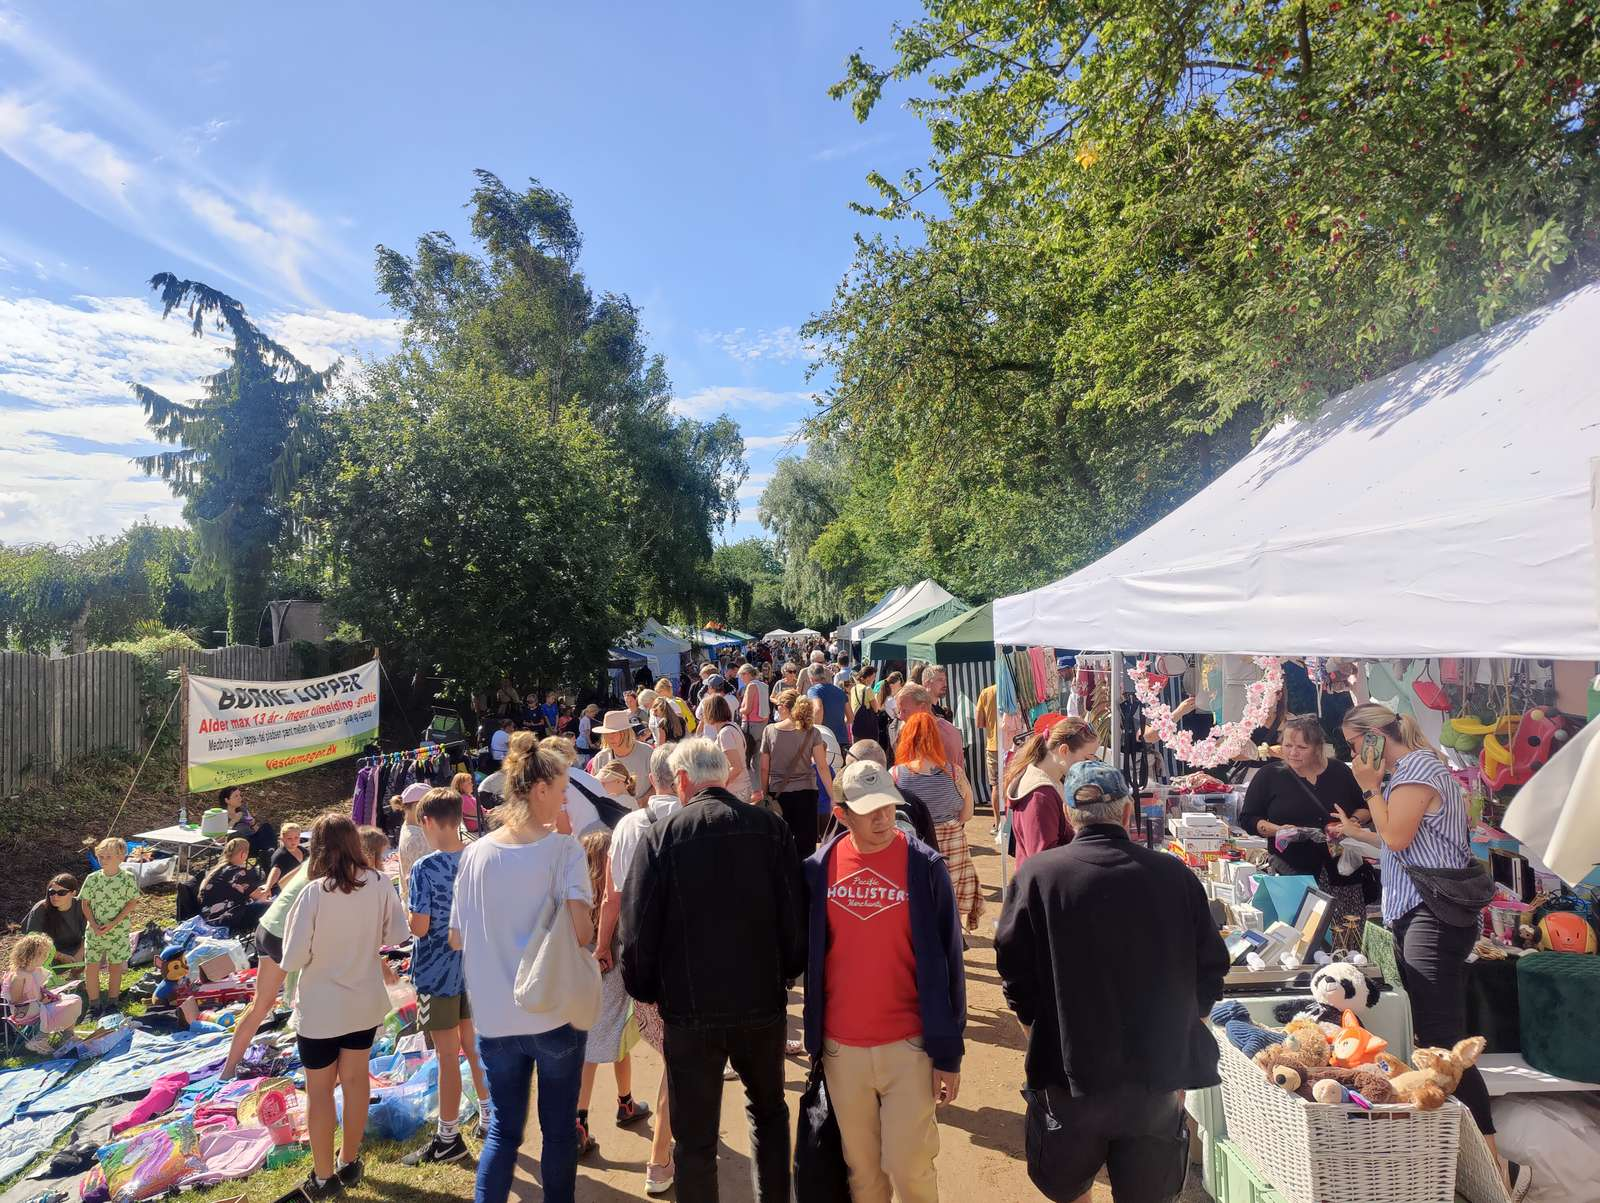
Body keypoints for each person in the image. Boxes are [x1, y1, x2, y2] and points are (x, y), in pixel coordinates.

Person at [995, 761, 1229, 1203]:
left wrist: (1038, 1033)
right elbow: (1211, 969)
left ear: (1068, 816)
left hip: (1069, 1074)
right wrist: (1181, 1042)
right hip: (1155, 1080)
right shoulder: (1173, 875)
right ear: (1126, 814)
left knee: (1068, 1187)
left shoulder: (1039, 876)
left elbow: (1014, 971)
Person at [621, 738, 807, 1203]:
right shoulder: (769, 829)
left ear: (681, 781)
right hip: (759, 1001)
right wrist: (787, 973)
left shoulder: (662, 836)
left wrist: (645, 989)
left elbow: (638, 927)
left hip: (689, 1008)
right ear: (723, 776)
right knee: (768, 1113)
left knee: (696, 1137)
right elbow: (794, 914)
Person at [1334, 703, 1498, 1157]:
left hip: (1431, 916)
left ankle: (1494, 1164)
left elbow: (1397, 839)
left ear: (1374, 737)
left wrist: (1369, 790)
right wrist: (1363, 825)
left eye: (1352, 744)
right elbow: (1403, 844)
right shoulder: (1414, 770)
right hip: (1423, 913)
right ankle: (1468, 1156)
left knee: (1443, 1044)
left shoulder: (1415, 770)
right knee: (1436, 1038)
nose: (1351, 755)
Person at [803, 761, 965, 1203]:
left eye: (889, 806)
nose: (883, 818)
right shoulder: (817, 871)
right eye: (869, 809)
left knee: (909, 1165)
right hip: (841, 1050)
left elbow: (950, 960)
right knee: (863, 1173)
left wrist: (949, 1053)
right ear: (841, 814)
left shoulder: (925, 866)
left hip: (908, 1047)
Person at [450, 737, 592, 1203]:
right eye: (563, 788)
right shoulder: (564, 851)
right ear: (540, 790)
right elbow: (583, 932)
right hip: (552, 1012)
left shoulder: (474, 855)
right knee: (557, 1134)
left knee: (503, 1135)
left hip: (493, 1017)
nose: (567, 797)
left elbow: (456, 936)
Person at [279, 814, 410, 1202]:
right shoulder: (380, 882)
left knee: (319, 1090)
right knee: (356, 1080)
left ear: (318, 847)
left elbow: (293, 957)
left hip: (321, 1006)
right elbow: (397, 935)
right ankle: (349, 1159)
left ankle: (323, 1176)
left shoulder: (315, 892)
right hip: (362, 1001)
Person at [597, 742, 680, 1195]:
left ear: (651, 778)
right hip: (683, 957)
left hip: (638, 956)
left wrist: (603, 944)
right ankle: (660, 1156)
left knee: (670, 1049)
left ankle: (665, 1149)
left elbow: (611, 896)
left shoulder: (628, 824)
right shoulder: (691, 819)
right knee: (677, 1054)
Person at [402, 789, 491, 1165]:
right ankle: (490, 1118)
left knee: (446, 1054)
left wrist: (407, 916)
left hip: (437, 971)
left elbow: (419, 928)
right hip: (475, 966)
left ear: (427, 821)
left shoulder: (424, 868)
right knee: (472, 1046)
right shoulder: (480, 857)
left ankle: (448, 1138)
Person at [1240, 713, 1370, 939]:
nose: (1293, 752)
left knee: (1346, 938)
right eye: (1288, 745)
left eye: (1301, 747)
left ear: (1318, 747)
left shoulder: (1340, 772)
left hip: (1342, 872)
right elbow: (1249, 818)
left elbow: (1365, 807)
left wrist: (1351, 824)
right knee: (1297, 938)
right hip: (1290, 871)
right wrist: (1276, 830)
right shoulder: (1269, 775)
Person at [575, 827, 652, 1160]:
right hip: (613, 973)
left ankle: (586, 1119)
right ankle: (621, 1105)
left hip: (582, 975)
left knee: (589, 1049)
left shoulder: (575, 895)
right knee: (617, 1038)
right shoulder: (617, 895)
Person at [221, 853, 314, 1079]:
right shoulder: (330, 871)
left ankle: (228, 1070)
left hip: (266, 928)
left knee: (261, 1004)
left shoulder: (311, 862)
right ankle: (315, 1063)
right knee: (318, 995)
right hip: (284, 935)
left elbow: (282, 883)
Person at [892, 715, 981, 932]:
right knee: (951, 905)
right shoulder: (953, 772)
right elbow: (966, 815)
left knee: (920, 901)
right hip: (952, 844)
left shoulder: (894, 775)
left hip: (915, 844)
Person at [1002, 720, 1096, 870]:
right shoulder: (1040, 795)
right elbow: (1045, 863)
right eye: (1087, 757)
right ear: (1064, 751)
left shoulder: (1051, 781)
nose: (1091, 763)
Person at [755, 689, 836, 860]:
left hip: (778, 793)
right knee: (806, 845)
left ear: (784, 707)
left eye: (777, 706)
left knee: (780, 844)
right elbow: (822, 766)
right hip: (807, 792)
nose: (776, 710)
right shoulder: (812, 732)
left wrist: (765, 794)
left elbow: (764, 768)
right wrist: (832, 796)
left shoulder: (769, 731)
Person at [80, 837, 139, 1015]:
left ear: (121, 857)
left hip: (118, 932)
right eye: (101, 856)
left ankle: (113, 1003)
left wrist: (114, 923)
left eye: (108, 857)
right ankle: (94, 1005)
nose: (103, 860)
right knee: (91, 968)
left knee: (115, 967)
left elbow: (131, 903)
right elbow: (85, 903)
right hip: (94, 932)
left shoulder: (128, 878)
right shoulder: (92, 878)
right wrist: (94, 925)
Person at [4, 934, 83, 1050]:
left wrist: (49, 996)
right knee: (64, 1006)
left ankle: (68, 1035)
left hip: (40, 1005)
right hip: (25, 1011)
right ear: (31, 955)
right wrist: (40, 1001)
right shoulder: (18, 976)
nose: (46, 957)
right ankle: (40, 1038)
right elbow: (15, 1000)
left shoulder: (38, 971)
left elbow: (40, 991)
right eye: (44, 954)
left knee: (74, 999)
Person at [197, 837, 271, 936]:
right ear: (242, 854)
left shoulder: (215, 871)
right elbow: (259, 896)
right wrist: (267, 888)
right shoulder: (239, 873)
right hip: (227, 919)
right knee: (272, 906)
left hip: (208, 917)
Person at [895, 684, 965, 776]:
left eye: (904, 711)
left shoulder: (942, 733)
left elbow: (944, 777)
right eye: (899, 711)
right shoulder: (911, 730)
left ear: (923, 707)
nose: (900, 716)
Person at [23, 873, 86, 969]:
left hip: (78, 948)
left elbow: (90, 934)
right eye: (52, 892)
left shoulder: (82, 905)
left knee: (101, 950)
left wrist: (80, 954)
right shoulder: (41, 908)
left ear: (73, 893)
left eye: (61, 893)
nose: (55, 896)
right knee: (31, 964)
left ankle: (76, 976)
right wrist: (60, 956)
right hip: (48, 952)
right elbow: (33, 941)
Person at [590, 711, 654, 802]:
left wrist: (642, 802)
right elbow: (595, 789)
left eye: (614, 733)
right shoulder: (601, 758)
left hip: (644, 811)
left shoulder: (648, 752)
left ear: (626, 733)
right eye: (606, 733)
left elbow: (660, 784)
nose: (610, 737)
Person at [703, 695, 751, 801]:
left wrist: (718, 785)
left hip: (735, 791)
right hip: (740, 788)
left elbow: (736, 767)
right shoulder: (732, 726)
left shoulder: (725, 733)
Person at [219, 785, 278, 868]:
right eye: (236, 796)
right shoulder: (221, 816)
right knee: (237, 835)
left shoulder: (243, 810)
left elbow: (257, 831)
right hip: (239, 847)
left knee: (266, 827)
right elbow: (220, 840)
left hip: (253, 841)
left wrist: (253, 824)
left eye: (240, 795)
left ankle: (270, 852)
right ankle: (269, 856)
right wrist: (234, 821)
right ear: (227, 800)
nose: (240, 798)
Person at [393, 782, 431, 903]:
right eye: (432, 805)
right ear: (417, 805)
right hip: (423, 908)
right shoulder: (416, 839)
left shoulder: (411, 824)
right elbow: (420, 886)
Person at [805, 666, 850, 752]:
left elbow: (818, 709)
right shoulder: (840, 691)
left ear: (811, 678)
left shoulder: (814, 690)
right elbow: (850, 717)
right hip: (842, 739)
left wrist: (815, 730)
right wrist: (838, 723)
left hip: (825, 740)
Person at [738, 663, 769, 775]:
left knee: (747, 754)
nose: (741, 678)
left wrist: (740, 710)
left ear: (747, 674)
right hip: (762, 723)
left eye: (742, 675)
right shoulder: (763, 685)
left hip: (750, 724)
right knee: (757, 755)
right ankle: (760, 783)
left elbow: (747, 709)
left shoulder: (751, 686)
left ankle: (753, 784)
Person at [974, 682, 999, 798]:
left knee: (996, 786)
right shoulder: (1016, 689)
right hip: (1014, 743)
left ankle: (998, 817)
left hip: (994, 745)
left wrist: (991, 723)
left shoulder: (986, 692)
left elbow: (979, 723)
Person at [266, 823, 306, 894]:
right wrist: (268, 888)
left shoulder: (303, 850)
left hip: (302, 885)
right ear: (282, 839)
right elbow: (275, 871)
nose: (293, 841)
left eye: (296, 837)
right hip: (285, 890)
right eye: (289, 838)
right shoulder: (280, 855)